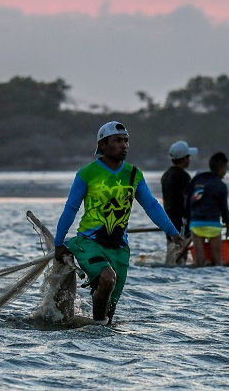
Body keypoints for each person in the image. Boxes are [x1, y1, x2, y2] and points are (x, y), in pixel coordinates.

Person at [54, 121, 184, 324]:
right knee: (107, 278)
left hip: (119, 249)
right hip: (89, 243)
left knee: (110, 312)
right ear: (103, 145)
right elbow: (71, 208)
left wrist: (173, 232)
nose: (124, 145)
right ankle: (96, 329)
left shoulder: (134, 174)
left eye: (126, 141)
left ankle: (99, 337)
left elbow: (151, 206)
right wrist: (58, 243)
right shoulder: (87, 173)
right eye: (118, 141)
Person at [185, 152, 229, 267]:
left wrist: (188, 221)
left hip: (196, 224)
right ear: (221, 168)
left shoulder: (198, 180)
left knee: (199, 261)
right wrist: (228, 229)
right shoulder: (221, 186)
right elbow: (224, 210)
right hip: (213, 224)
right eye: (225, 168)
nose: (226, 172)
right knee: (217, 260)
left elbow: (187, 199)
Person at [160, 140, 198, 266]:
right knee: (179, 257)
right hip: (181, 220)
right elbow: (190, 200)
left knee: (171, 254)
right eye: (189, 157)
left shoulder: (166, 175)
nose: (190, 160)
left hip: (168, 219)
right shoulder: (184, 177)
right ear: (185, 159)